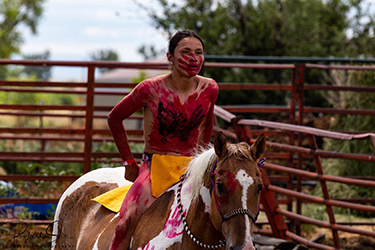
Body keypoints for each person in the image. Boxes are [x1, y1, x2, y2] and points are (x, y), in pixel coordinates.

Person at [107, 29, 219, 250]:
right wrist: (130, 163)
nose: (193, 58)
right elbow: (114, 118)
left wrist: (204, 161)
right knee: (126, 221)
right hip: (154, 168)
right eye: (185, 51)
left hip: (190, 168)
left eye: (199, 52)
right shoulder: (150, 89)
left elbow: (207, 124)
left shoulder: (210, 88)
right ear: (169, 57)